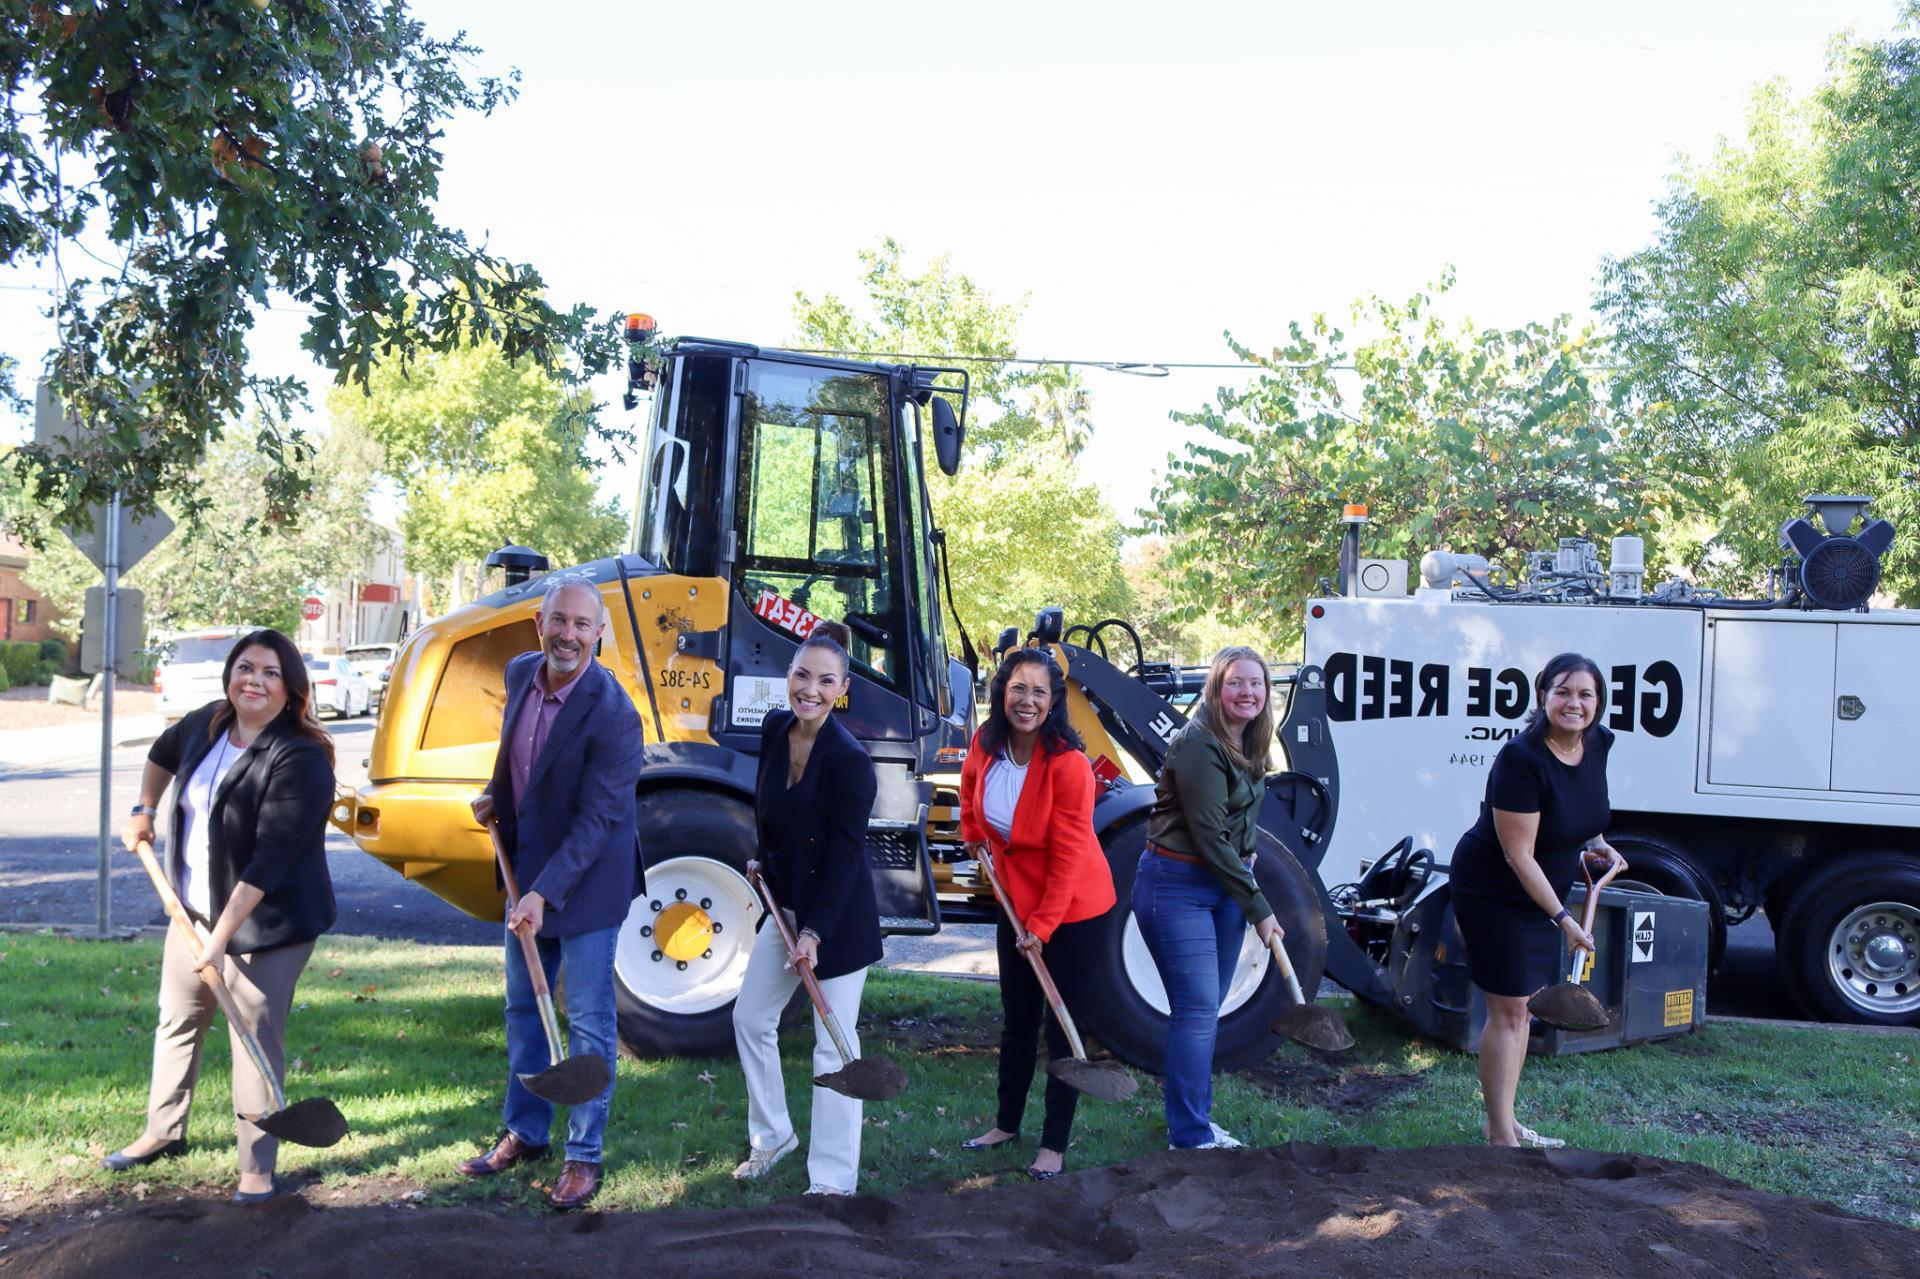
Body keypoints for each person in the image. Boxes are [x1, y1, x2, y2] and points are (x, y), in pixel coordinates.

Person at [108, 629, 338, 1202]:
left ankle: (256, 1168)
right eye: (244, 667)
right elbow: (161, 753)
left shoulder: (302, 757)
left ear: (291, 689)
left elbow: (269, 862)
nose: (252, 681)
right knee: (178, 1018)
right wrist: (144, 808)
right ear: (229, 674)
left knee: (253, 1034)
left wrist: (222, 939)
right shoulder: (208, 723)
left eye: (268, 672)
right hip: (191, 910)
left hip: (269, 925)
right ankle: (162, 1133)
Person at [458, 577, 644, 1210]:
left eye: (581, 625)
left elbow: (599, 822)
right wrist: (496, 799)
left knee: (588, 1022)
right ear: (539, 623)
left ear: (598, 633)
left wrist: (544, 894)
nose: (567, 634)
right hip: (529, 873)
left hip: (587, 883)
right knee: (524, 1011)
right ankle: (526, 1132)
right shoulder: (519, 673)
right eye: (557, 621)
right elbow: (517, 754)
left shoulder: (616, 716)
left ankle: (583, 1156)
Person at [1447, 652, 1628, 1148]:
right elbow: (1517, 855)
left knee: (1524, 1009)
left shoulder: (1599, 743)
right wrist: (1564, 919)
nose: (1574, 703)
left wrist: (1596, 844)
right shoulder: (1521, 759)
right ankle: (1501, 1137)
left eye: (1585, 694)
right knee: (1509, 1010)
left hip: (1546, 891)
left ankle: (1501, 1121)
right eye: (1563, 691)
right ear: (1542, 695)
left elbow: (1585, 805)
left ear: (1598, 703)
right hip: (1497, 891)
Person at [731, 621, 880, 1196]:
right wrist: (762, 859)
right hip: (786, 907)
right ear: (788, 677)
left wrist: (815, 933)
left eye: (824, 681)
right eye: (801, 675)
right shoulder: (775, 728)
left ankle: (833, 1180)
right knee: (750, 1019)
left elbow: (845, 859)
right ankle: (773, 1138)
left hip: (836, 924)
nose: (809, 689)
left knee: (834, 1044)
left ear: (841, 690)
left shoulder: (850, 761)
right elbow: (772, 809)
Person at [957, 648, 1116, 1179]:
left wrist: (1043, 928)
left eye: (1039, 691)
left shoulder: (1069, 766)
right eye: (1018, 688)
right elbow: (970, 796)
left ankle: (1053, 1145)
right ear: (1003, 692)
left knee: (1062, 1028)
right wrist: (973, 836)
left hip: (1073, 909)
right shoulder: (986, 743)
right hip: (1015, 900)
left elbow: (1071, 854)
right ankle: (1006, 1123)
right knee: (1017, 1020)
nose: (1027, 700)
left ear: (1054, 702)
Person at [1133, 645, 1284, 1151]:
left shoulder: (1246, 743)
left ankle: (1192, 1120)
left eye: (1256, 683)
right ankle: (1190, 1135)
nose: (1247, 692)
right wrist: (1258, 907)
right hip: (1178, 886)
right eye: (1235, 682)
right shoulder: (1200, 745)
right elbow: (1207, 835)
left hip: (1221, 885)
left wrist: (1248, 856)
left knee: (1204, 1010)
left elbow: (1237, 823)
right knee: (1197, 1011)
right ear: (1216, 689)